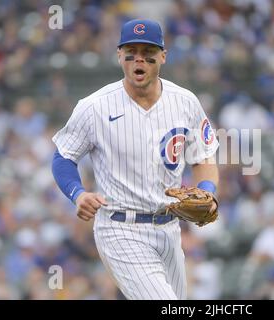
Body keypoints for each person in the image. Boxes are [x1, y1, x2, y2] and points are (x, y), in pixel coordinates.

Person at [51, 18, 219, 300]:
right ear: (119, 55)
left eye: (148, 52)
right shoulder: (94, 107)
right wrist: (77, 193)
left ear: (163, 56)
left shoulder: (185, 101)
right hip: (120, 228)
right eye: (131, 51)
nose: (139, 59)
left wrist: (208, 192)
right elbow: (63, 156)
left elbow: (203, 157)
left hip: (169, 228)